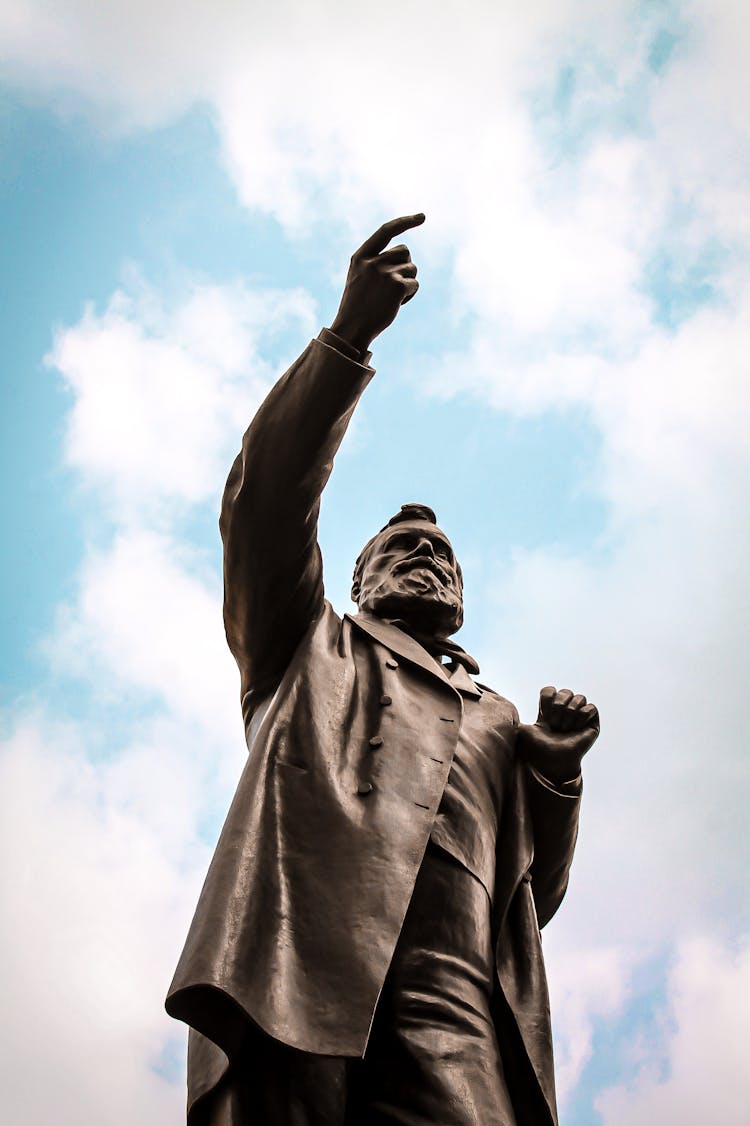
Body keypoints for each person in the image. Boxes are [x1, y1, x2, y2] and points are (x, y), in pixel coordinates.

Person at [166, 215, 600, 1125]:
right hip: (300, 959)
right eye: (400, 550)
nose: (426, 560)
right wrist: (348, 338)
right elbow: (265, 506)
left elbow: (535, 895)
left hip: (460, 1000)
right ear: (357, 581)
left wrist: (556, 773)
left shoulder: (498, 717)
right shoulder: (309, 643)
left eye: (442, 556)